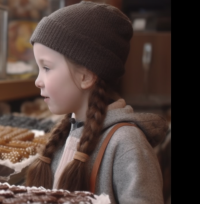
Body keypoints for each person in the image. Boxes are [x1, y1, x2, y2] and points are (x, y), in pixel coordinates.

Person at [24, 2, 168, 204]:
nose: (37, 81)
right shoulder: (64, 134)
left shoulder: (127, 145)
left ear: (86, 76)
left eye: (46, 67)